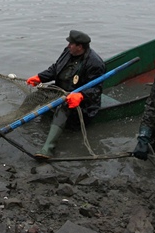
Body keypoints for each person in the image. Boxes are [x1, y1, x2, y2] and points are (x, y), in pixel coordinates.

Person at [26, 30, 106, 160]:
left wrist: (80, 96)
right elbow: (56, 68)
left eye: (71, 44)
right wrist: (40, 77)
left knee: (63, 108)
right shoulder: (68, 52)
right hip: (61, 91)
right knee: (36, 96)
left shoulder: (95, 63)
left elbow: (96, 90)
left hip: (82, 103)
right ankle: (22, 122)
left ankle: (47, 149)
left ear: (80, 47)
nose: (68, 46)